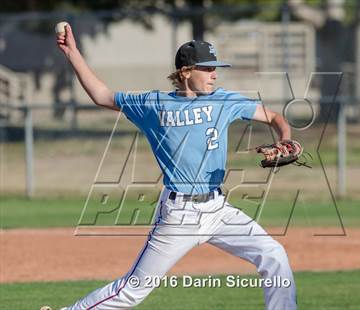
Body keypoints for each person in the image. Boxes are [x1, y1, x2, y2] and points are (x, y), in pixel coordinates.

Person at [50, 23, 297, 310]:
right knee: (131, 291)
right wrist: (72, 53)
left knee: (274, 255)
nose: (214, 73)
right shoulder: (154, 104)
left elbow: (276, 117)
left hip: (218, 210)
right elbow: (102, 96)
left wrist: (286, 140)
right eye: (207, 68)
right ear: (185, 71)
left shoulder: (224, 100)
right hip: (180, 215)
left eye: (215, 68)